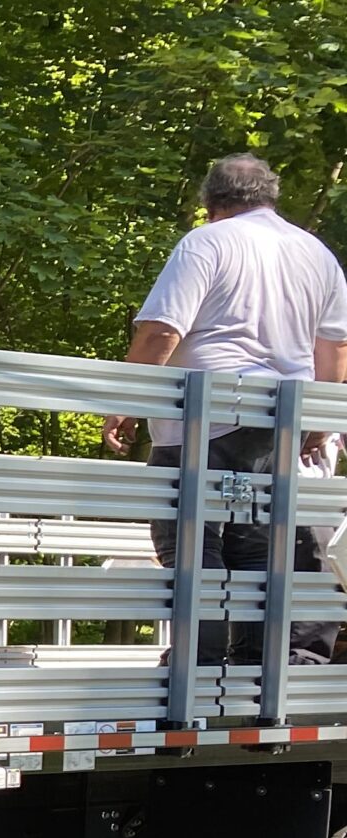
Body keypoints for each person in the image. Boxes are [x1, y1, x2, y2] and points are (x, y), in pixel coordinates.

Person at [101, 153, 347, 664]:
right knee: (258, 542)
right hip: (283, 418)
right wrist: (321, 421)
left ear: (212, 203)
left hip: (206, 415)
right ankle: (258, 663)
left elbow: (162, 330)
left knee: (189, 537)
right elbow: (335, 349)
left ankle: (199, 658)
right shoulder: (316, 253)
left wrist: (124, 400)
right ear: (268, 197)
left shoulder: (207, 242)